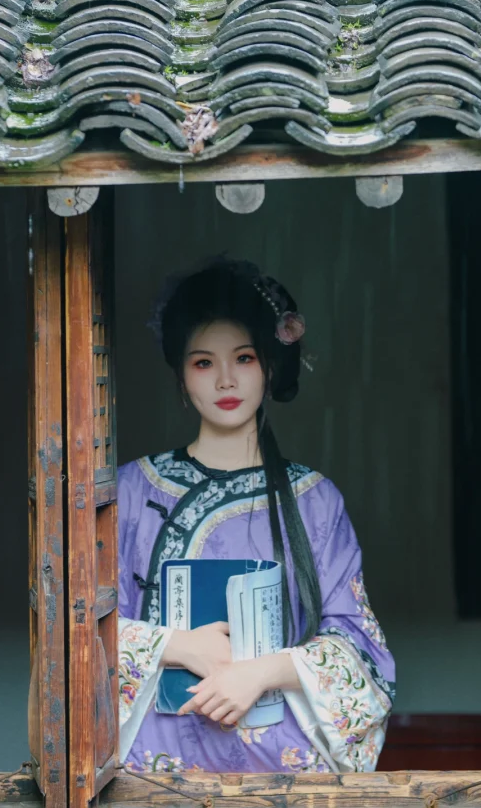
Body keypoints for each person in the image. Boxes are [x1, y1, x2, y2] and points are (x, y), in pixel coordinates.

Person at [115, 258, 394, 773]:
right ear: (181, 376)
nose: (225, 379)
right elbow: (77, 631)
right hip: (154, 764)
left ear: (268, 365)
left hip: (280, 761)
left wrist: (261, 672)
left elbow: (360, 647)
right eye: (203, 363)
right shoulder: (130, 491)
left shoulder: (315, 500)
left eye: (242, 358)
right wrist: (179, 646)